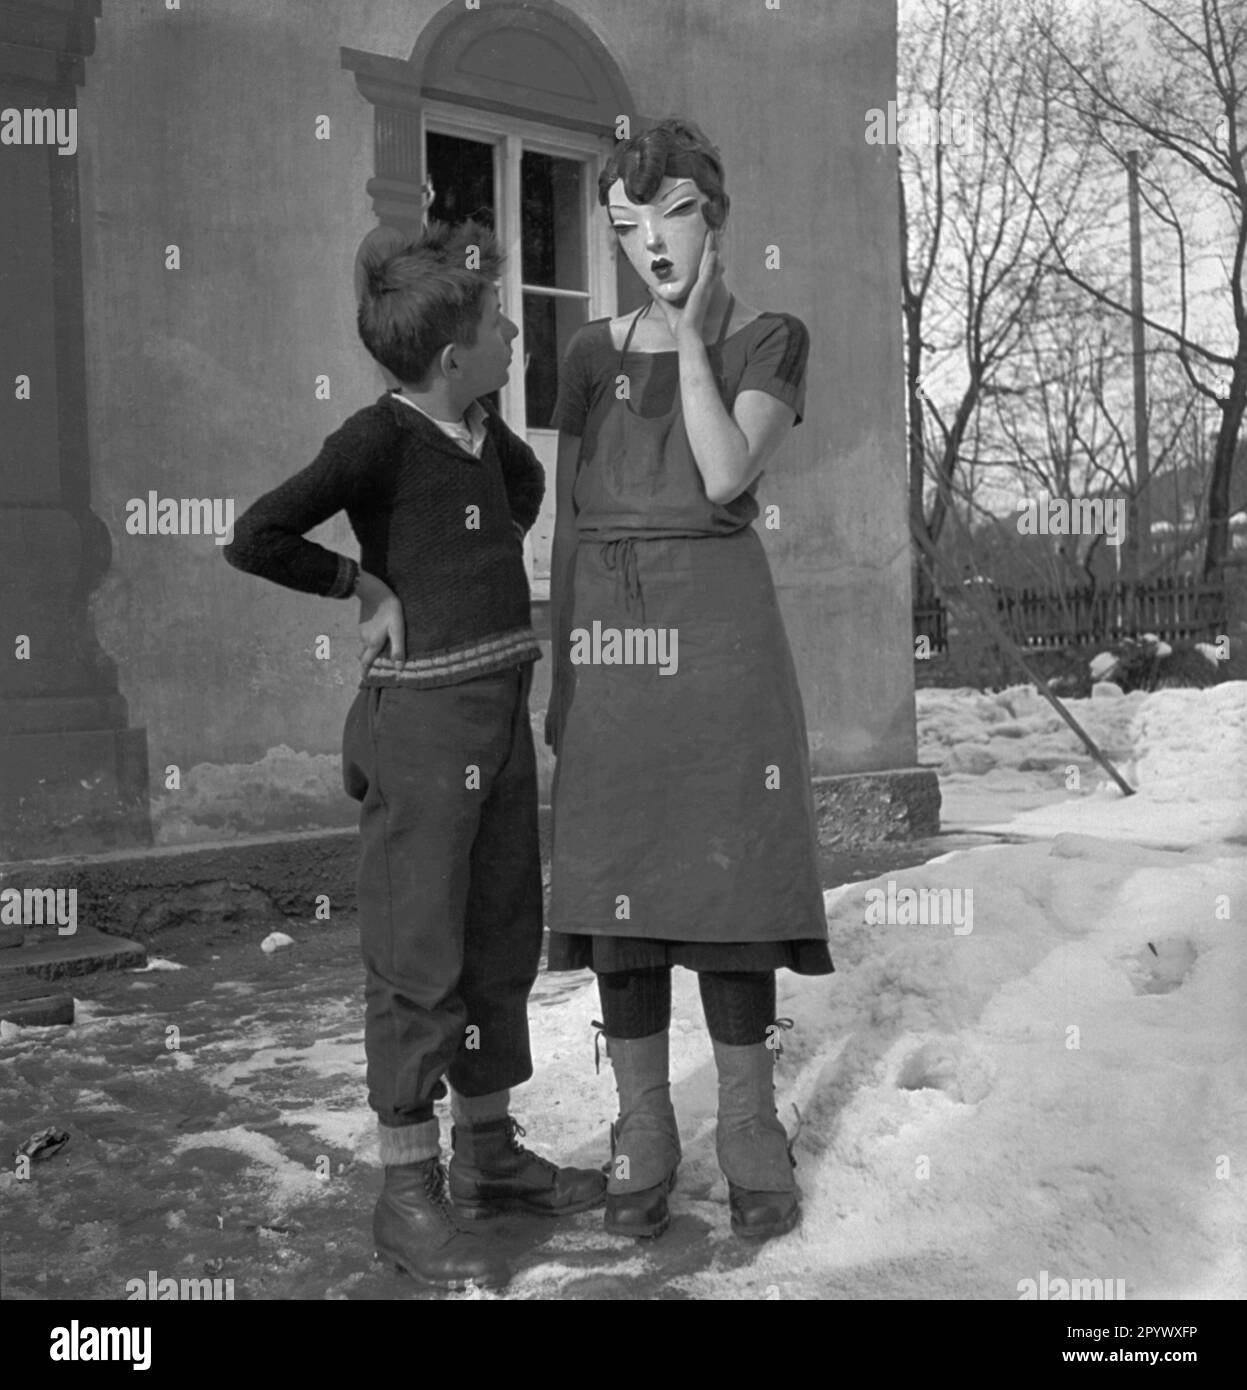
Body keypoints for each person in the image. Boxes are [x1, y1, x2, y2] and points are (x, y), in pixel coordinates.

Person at [224, 219, 605, 1291]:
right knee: (416, 960)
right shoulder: (375, 440)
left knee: (496, 941)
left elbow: (514, 501)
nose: (514, 332)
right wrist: (367, 587)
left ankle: (490, 1157)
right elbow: (255, 534)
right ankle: (405, 1193)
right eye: (497, 322)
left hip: (499, 723)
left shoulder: (484, 432)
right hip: (422, 737)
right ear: (450, 354)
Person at [545, 118, 833, 1243]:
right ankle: (644, 1128)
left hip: (718, 638)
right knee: (619, 890)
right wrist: (563, 666)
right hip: (609, 641)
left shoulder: (771, 337)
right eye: (625, 224)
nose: (649, 242)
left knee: (725, 890)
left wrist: (686, 336)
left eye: (670, 212)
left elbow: (721, 470)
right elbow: (567, 522)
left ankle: (749, 1128)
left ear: (711, 213)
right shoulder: (581, 355)